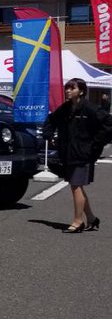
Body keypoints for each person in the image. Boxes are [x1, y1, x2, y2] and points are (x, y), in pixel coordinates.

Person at [44, 78, 112, 233]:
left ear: (81, 91)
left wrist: (95, 145)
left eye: (71, 88)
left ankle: (77, 222)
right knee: (77, 186)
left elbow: (109, 125)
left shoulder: (90, 109)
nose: (67, 91)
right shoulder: (66, 108)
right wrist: (48, 135)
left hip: (84, 154)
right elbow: (51, 119)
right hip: (69, 153)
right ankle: (92, 219)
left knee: (75, 186)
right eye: (66, 88)